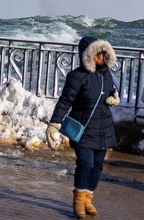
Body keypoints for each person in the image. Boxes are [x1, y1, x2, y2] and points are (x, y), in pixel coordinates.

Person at [47, 37, 119, 218]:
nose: (100, 57)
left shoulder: (106, 73)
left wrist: (114, 96)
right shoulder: (77, 77)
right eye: (96, 53)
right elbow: (65, 101)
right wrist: (54, 124)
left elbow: (111, 89)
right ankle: (78, 200)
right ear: (87, 55)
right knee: (85, 164)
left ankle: (88, 198)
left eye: (102, 53)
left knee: (98, 167)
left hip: (103, 129)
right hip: (84, 129)